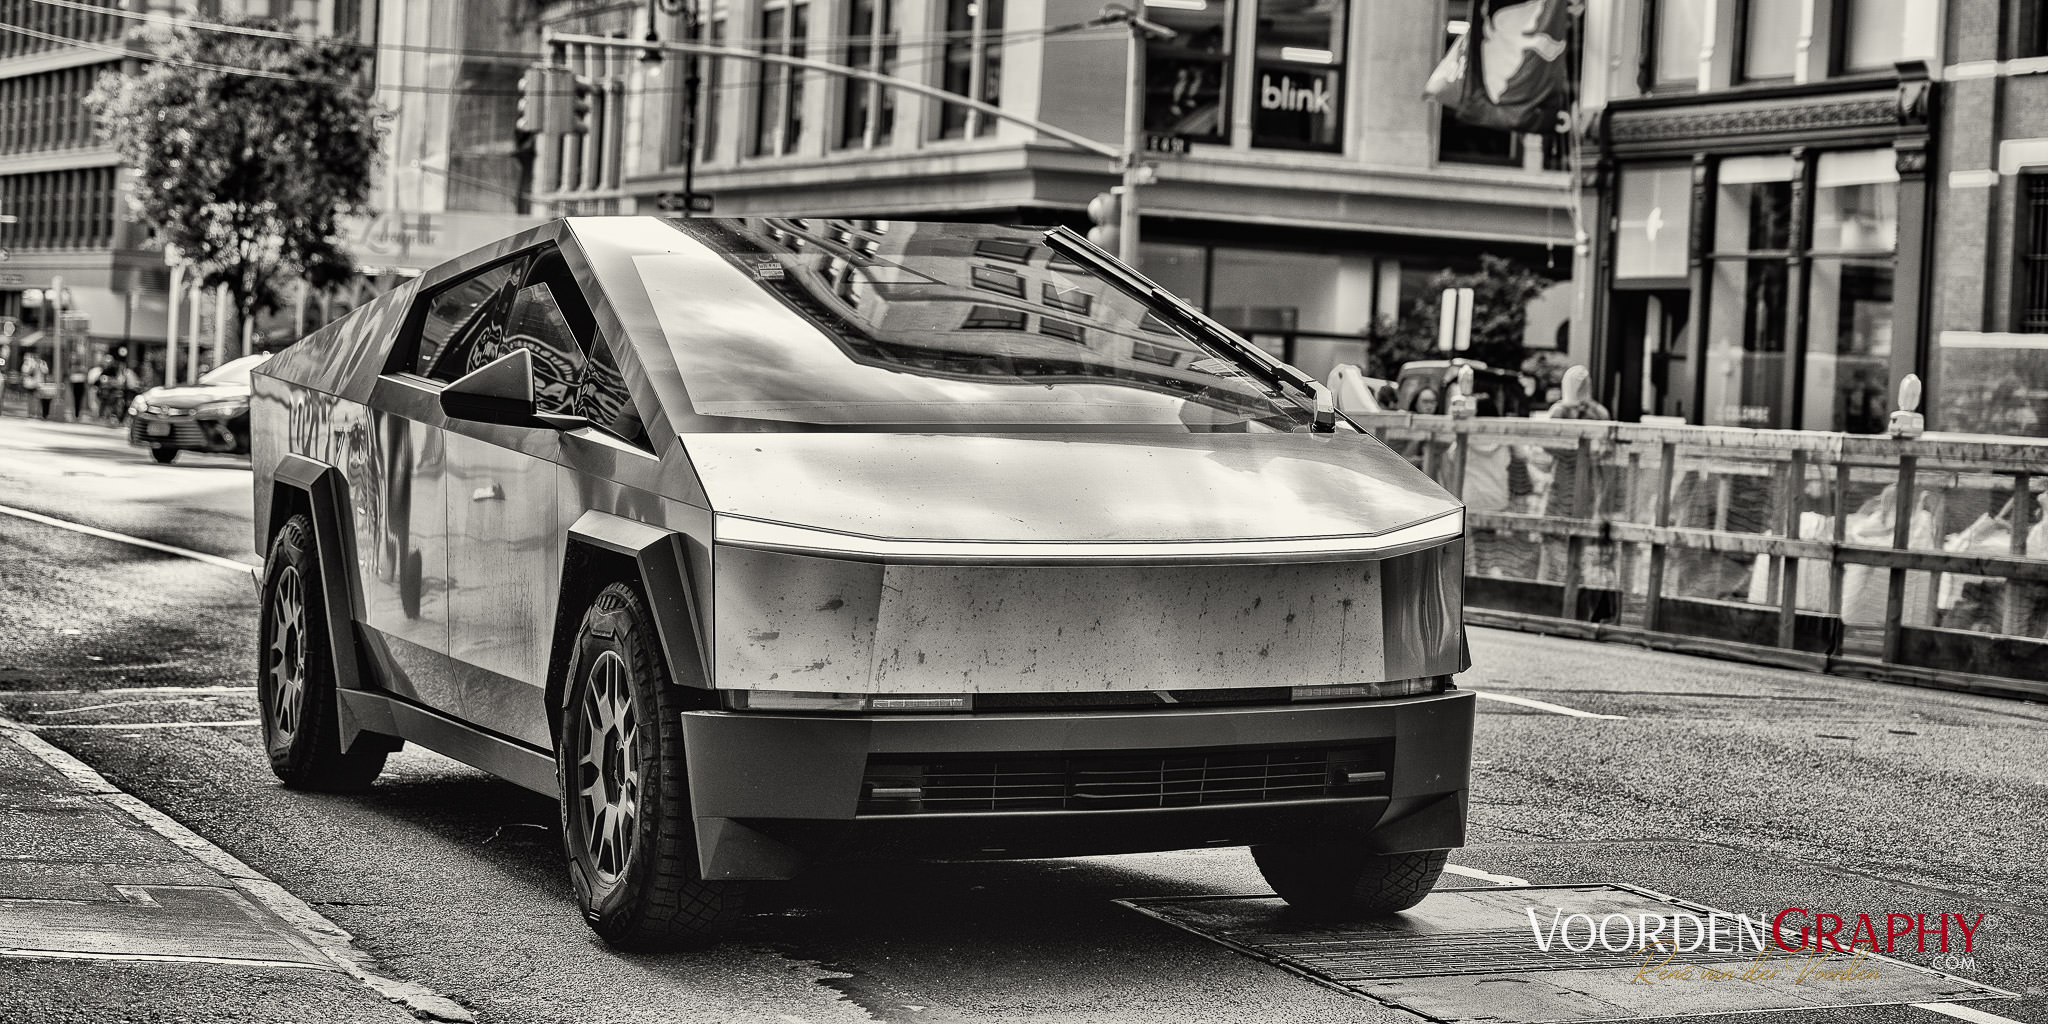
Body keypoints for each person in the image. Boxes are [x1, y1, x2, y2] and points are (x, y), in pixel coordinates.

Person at [20, 351, 52, 419]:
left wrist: (40, 367)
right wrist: (32, 368)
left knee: (38, 399)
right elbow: (24, 371)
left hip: (39, 384)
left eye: (37, 356)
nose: (36, 357)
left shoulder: (42, 362)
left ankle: (37, 413)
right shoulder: (28, 362)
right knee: (30, 399)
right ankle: (30, 413)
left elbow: (46, 371)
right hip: (30, 384)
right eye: (35, 356)